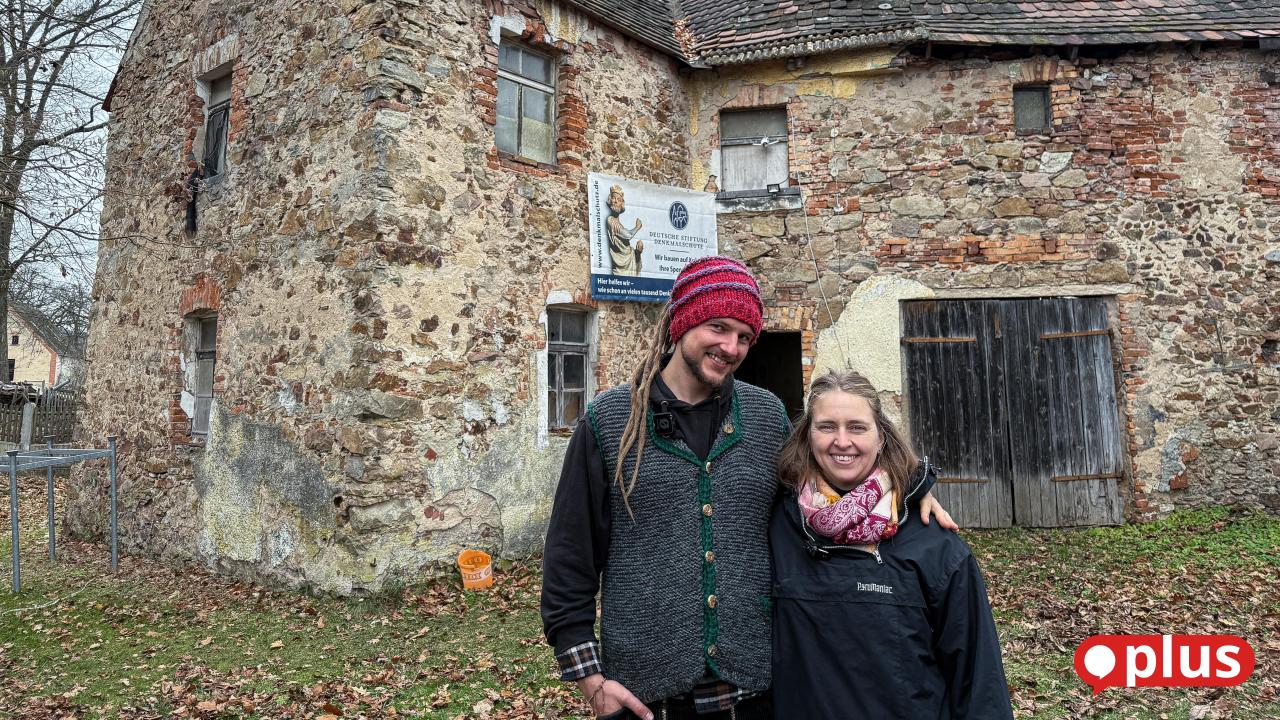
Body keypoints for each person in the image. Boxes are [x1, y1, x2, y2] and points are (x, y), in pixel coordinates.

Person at [541, 257, 954, 719]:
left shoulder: (766, 417)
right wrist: (589, 680)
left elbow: (833, 479)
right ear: (682, 321)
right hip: (645, 696)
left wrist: (908, 486)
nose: (730, 346)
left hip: (756, 692)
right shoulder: (610, 422)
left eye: (744, 336)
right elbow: (569, 558)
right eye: (718, 327)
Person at [770, 370, 1013, 719]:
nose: (842, 441)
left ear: (882, 437)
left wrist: (919, 484)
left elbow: (978, 681)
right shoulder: (781, 525)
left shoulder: (932, 542)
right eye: (826, 427)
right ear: (807, 436)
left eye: (857, 427)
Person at [605, 185, 644, 275]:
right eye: (614, 198)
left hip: (629, 260)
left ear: (621, 204)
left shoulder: (618, 223)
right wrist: (637, 227)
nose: (615, 201)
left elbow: (625, 246)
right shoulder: (610, 220)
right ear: (610, 200)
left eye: (618, 200)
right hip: (620, 267)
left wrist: (637, 252)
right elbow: (627, 235)